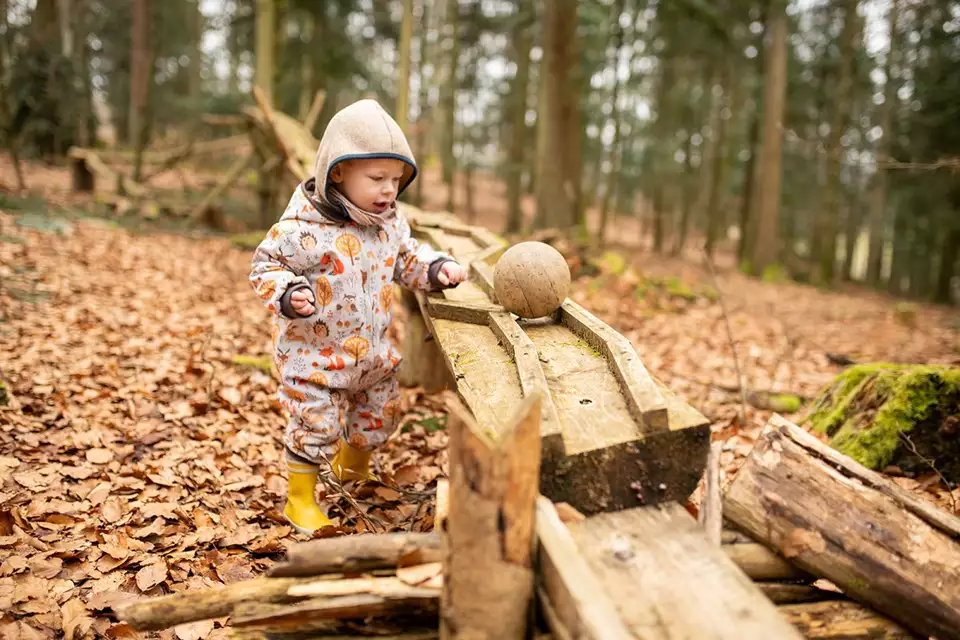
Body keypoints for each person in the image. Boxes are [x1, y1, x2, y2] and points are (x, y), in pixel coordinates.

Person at [249, 99, 467, 534]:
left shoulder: (389, 224)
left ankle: (353, 469)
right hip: (314, 358)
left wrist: (433, 268)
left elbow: (405, 258)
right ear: (338, 172)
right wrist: (289, 293)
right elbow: (265, 266)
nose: (389, 189)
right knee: (316, 425)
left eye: (395, 179)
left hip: (371, 356)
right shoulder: (305, 228)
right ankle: (300, 500)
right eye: (376, 178)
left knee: (380, 415)